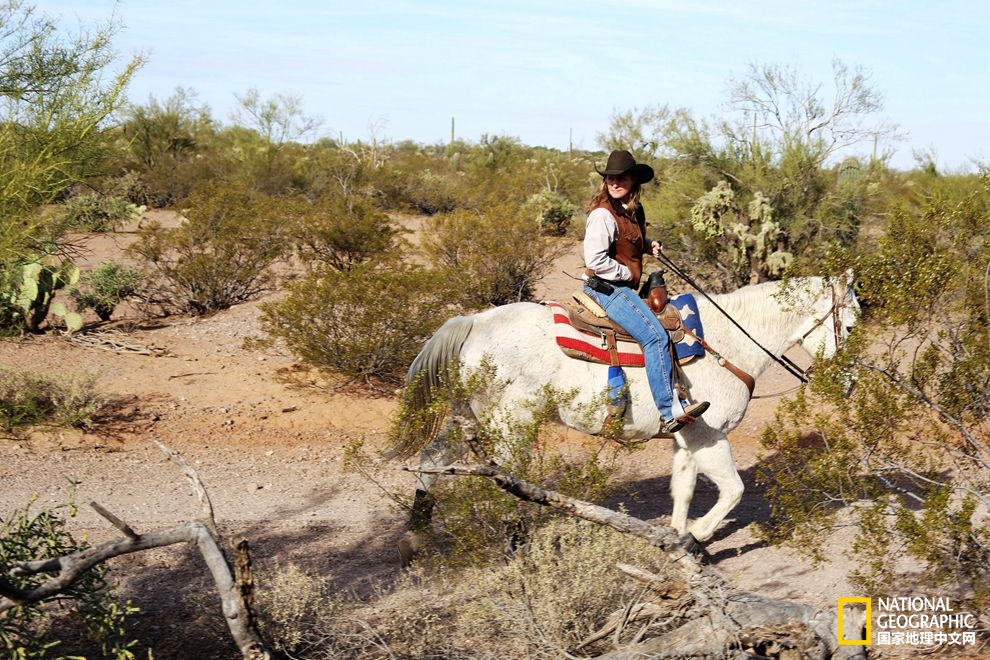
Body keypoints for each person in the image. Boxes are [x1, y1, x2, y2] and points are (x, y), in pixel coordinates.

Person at [583, 150, 708, 434]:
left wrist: (647, 244)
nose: (615, 183)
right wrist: (627, 273)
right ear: (606, 181)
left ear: (633, 181)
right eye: (611, 178)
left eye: (621, 178)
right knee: (654, 336)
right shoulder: (602, 215)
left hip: (622, 285)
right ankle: (669, 411)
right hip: (606, 288)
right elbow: (595, 260)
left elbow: (628, 239)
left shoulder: (634, 210)